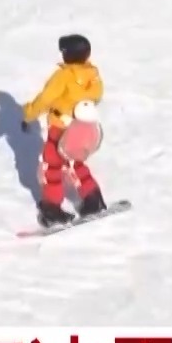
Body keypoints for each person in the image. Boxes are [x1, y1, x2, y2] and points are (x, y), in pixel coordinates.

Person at [21, 34, 106, 226]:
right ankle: (93, 198)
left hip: (60, 128)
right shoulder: (92, 75)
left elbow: (45, 99)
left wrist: (28, 114)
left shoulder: (64, 76)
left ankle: (52, 208)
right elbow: (97, 95)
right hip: (83, 126)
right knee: (76, 162)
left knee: (52, 165)